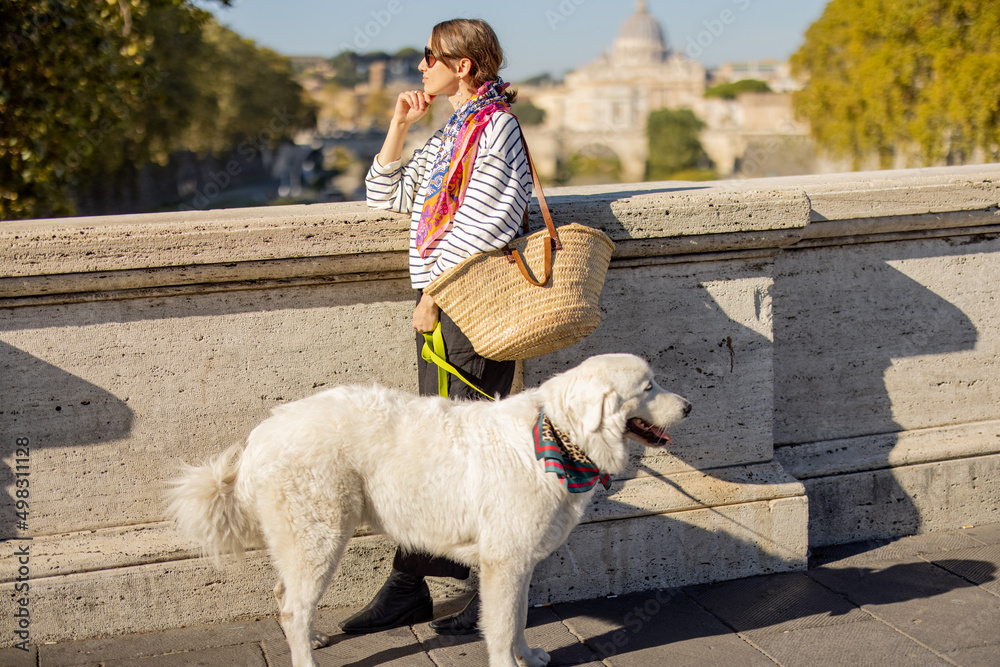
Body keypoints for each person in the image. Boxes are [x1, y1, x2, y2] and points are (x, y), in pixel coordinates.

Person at [340, 18, 532, 636]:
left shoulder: (496, 128)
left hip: (467, 309)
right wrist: (399, 125)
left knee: (471, 454)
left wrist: (438, 296)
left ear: (465, 65)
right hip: (442, 304)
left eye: (430, 57)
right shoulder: (454, 129)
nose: (421, 66)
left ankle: (485, 585)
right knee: (436, 450)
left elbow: (490, 225)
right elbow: (385, 196)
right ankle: (411, 581)